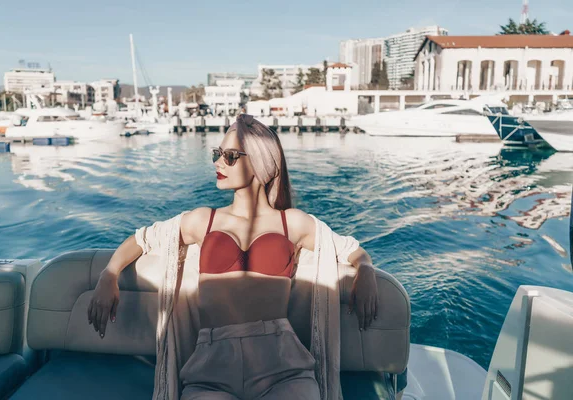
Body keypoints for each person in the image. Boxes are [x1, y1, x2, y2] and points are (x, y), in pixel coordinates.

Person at [87, 114, 381, 400]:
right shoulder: (203, 221)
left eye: (229, 156)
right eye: (217, 153)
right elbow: (141, 239)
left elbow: (350, 249)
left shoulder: (293, 223)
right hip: (212, 364)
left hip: (281, 363)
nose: (218, 162)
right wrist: (109, 275)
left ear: (260, 162)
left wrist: (365, 271)